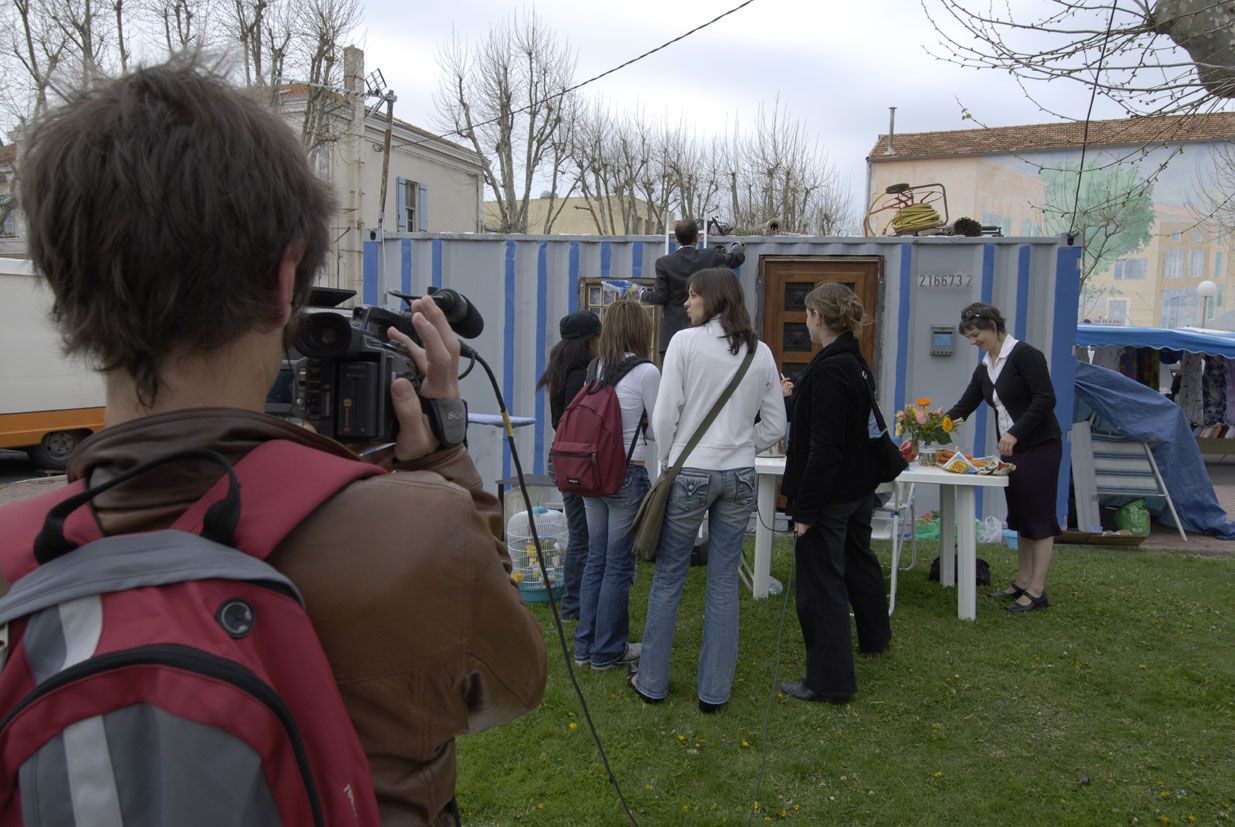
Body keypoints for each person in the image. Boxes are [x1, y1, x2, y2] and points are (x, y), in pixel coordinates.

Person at [12, 59, 547, 824]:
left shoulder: (16, 559)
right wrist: (443, 457)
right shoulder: (420, 531)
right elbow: (514, 683)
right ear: (284, 278)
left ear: (64, 290)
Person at [631, 268, 785, 712]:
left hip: (690, 471)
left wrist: (670, 458)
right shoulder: (760, 351)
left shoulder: (683, 343)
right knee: (723, 582)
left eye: (694, 295)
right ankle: (714, 693)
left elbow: (664, 416)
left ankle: (652, 682)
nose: (686, 303)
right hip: (739, 475)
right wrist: (741, 445)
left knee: (669, 576)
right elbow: (776, 425)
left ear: (714, 298)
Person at [777, 283, 892, 705]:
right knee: (858, 560)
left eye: (807, 313)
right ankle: (876, 636)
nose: (805, 321)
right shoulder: (852, 362)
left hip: (831, 493)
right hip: (855, 487)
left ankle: (829, 681)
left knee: (820, 585)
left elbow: (823, 448)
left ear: (818, 316)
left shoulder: (831, 368)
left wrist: (805, 510)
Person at [945, 302, 1062, 613]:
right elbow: (964, 406)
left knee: (1038, 517)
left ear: (993, 327)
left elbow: (1045, 399)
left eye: (976, 335)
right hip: (1013, 451)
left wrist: (1015, 433)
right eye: (969, 337)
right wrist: (931, 425)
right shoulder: (985, 367)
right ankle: (1022, 581)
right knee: (1021, 516)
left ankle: (1037, 590)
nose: (973, 342)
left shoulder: (1025, 355)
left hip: (1040, 445)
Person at [574, 299, 660, 670]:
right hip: (626, 472)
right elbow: (658, 429)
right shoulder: (646, 372)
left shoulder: (595, 368)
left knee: (596, 560)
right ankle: (608, 650)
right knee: (618, 566)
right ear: (641, 331)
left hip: (592, 473)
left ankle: (584, 647)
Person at [538, 310, 603, 620]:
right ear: (589, 341)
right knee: (582, 537)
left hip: (561, 459)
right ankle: (573, 605)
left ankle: (575, 603)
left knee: (580, 534)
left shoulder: (560, 372)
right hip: (575, 463)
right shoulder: (581, 377)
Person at [645, 218, 746, 358]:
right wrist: (737, 249)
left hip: (671, 337)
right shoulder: (708, 256)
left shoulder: (664, 263)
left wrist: (643, 294)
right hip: (703, 337)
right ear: (697, 236)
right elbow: (734, 259)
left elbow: (659, 297)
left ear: (677, 238)